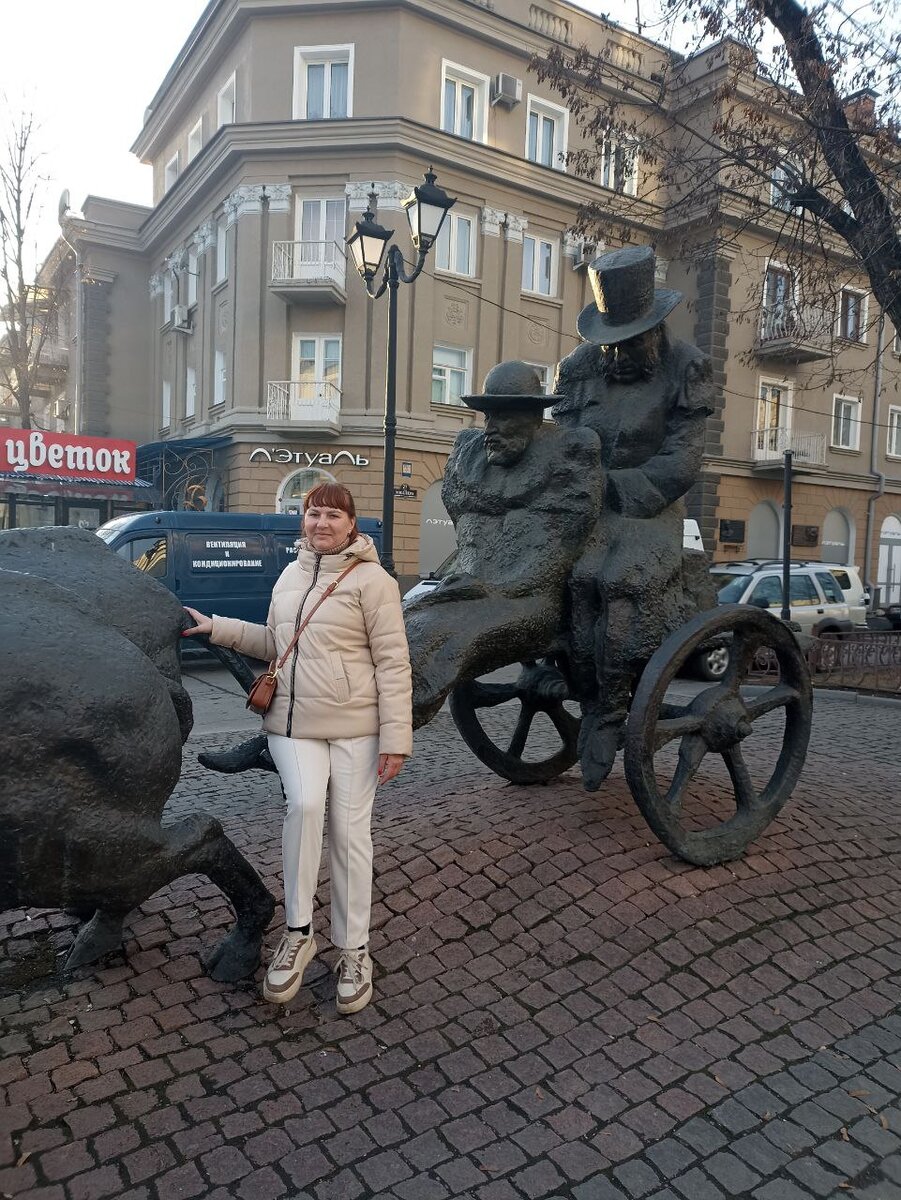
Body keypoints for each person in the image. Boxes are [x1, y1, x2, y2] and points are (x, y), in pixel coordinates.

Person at [182, 483, 412, 1014]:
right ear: (302, 520)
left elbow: (394, 664)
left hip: (357, 727)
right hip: (292, 724)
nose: (322, 523)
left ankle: (354, 950)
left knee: (350, 831)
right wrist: (217, 628)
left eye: (333, 514)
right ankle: (299, 931)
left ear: (352, 525)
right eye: (314, 513)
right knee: (305, 808)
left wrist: (396, 737)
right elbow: (274, 642)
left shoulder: (374, 582)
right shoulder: (290, 575)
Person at [552, 244, 715, 788]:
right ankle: (582, 688)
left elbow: (683, 458)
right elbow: (564, 440)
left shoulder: (687, 366)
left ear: (654, 328)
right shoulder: (578, 368)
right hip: (585, 506)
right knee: (569, 578)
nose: (616, 355)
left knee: (616, 581)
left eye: (627, 343)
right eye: (608, 345)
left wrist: (618, 488)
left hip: (650, 510)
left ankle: (612, 708)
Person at [405, 360, 603, 725]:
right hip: (472, 591)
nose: (490, 429)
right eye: (487, 417)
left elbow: (555, 553)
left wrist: (490, 588)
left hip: (528, 600)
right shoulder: (471, 459)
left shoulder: (570, 459)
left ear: (532, 417)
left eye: (503, 417)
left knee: (432, 636)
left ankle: (370, 723)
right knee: (394, 629)